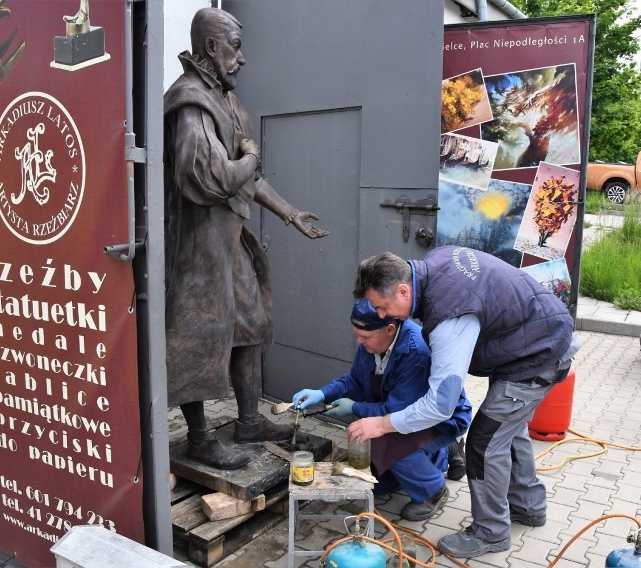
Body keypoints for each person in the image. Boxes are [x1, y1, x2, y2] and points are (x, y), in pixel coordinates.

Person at [164, 7, 328, 470]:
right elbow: (208, 176)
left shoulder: (230, 102)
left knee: (251, 324)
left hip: (229, 241)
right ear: (212, 47)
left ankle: (250, 421)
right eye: (235, 47)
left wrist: (291, 213)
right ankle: (199, 439)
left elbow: (246, 180)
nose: (242, 59)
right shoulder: (190, 100)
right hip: (196, 248)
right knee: (197, 333)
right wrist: (250, 156)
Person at [348, 246, 579, 559]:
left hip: (540, 353)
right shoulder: (433, 263)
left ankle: (491, 532)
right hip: (533, 340)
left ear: (403, 289)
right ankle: (528, 507)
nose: (381, 315)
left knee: (485, 442)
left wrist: (382, 423)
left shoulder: (449, 318)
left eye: (383, 306)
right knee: (508, 429)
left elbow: (440, 405)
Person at [293, 299, 471, 521]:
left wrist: (355, 407)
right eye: (357, 334)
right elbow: (354, 381)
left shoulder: (416, 353)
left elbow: (399, 413)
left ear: (390, 329)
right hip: (402, 410)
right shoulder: (371, 344)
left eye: (365, 337)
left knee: (382, 438)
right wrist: (323, 393)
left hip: (439, 419)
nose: (359, 341)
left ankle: (433, 490)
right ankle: (436, 458)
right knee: (377, 478)